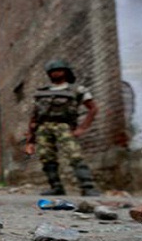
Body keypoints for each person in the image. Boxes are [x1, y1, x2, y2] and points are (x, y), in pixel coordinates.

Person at [24, 59, 101, 196]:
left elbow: (93, 108)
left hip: (64, 126)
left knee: (74, 155)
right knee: (47, 157)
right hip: (43, 127)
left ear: (66, 72)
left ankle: (87, 186)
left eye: (59, 70)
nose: (56, 73)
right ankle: (56, 187)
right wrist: (30, 139)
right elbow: (34, 116)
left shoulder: (77, 89)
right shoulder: (42, 92)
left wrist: (82, 128)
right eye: (52, 71)